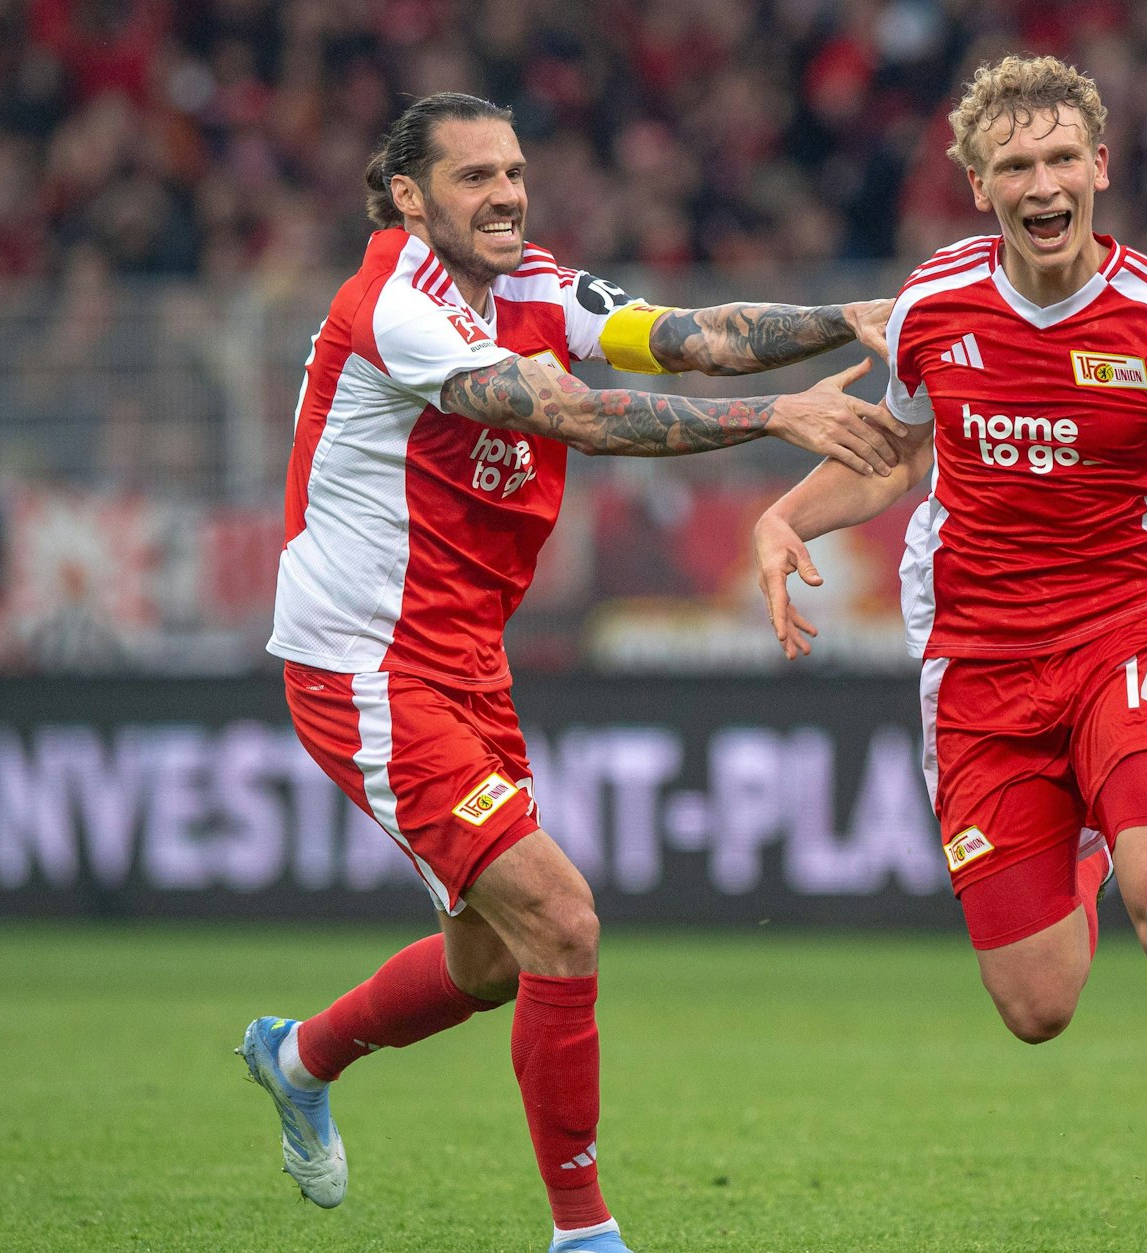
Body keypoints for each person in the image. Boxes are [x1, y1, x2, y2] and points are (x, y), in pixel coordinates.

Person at [751, 55, 1147, 1253]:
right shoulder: (932, 307)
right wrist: (782, 519)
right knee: (1036, 1003)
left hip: (1128, 635)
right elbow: (893, 455)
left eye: (1061, 158)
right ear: (976, 185)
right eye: (1015, 165)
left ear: (1099, 168)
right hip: (978, 665)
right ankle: (1090, 837)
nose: (1042, 182)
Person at [237, 91, 905, 1253]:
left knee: (489, 962)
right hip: (364, 661)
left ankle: (296, 1056)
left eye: (512, 171)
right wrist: (774, 418)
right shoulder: (397, 306)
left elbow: (683, 333)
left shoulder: (531, 282)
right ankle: (584, 1234)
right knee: (563, 920)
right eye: (472, 178)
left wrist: (853, 314)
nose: (504, 195)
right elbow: (575, 415)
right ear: (409, 197)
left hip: (461, 659)